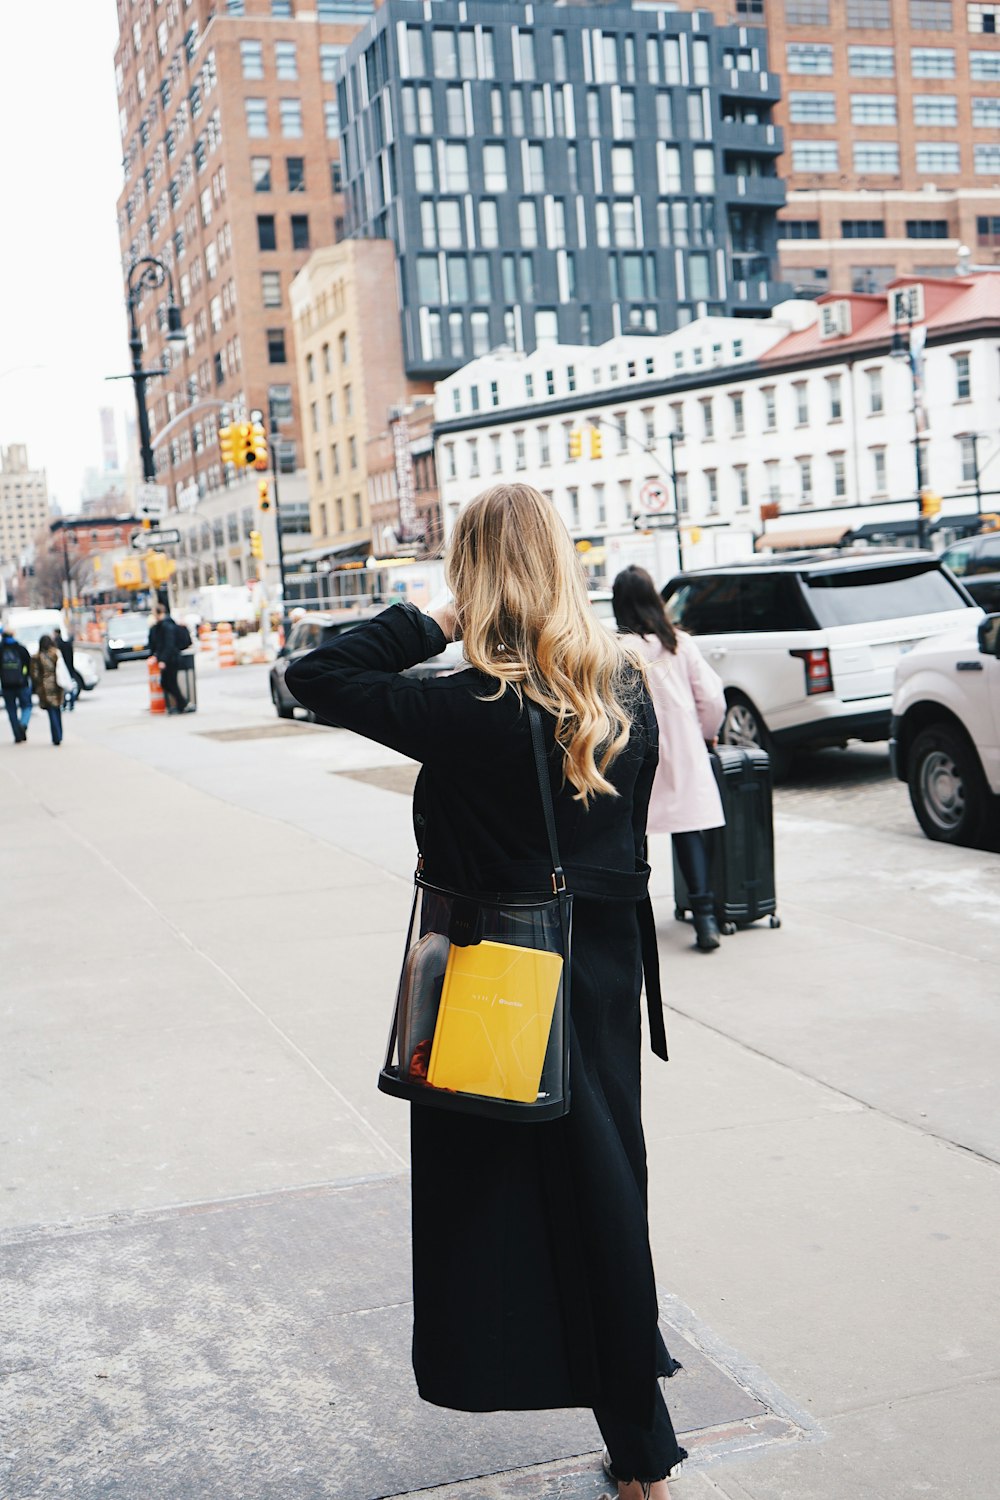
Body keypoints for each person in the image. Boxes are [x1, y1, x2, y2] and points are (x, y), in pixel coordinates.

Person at [287, 485, 686, 1500]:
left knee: (502, 1205)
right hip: (598, 972)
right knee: (600, 1192)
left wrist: (434, 619)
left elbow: (318, 671)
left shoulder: (468, 708)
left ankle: (619, 1434)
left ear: (473, 576)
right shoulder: (622, 687)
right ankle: (639, 1449)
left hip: (492, 974)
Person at [612, 566, 726, 953]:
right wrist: (707, 734)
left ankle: (632, 924)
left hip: (633, 751)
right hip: (682, 749)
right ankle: (705, 918)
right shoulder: (678, 643)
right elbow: (711, 698)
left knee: (633, 836)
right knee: (688, 830)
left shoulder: (618, 650)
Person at [148, 603, 192, 714]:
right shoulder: (161, 625)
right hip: (168, 659)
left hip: (171, 659)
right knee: (167, 683)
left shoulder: (167, 626)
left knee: (169, 683)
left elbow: (169, 645)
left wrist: (162, 660)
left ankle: (183, 704)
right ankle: (182, 704)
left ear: (159, 613)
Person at [29, 634, 69, 746]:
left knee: (51, 711)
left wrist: (39, 684)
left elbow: (34, 674)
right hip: (58, 683)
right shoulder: (56, 653)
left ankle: (56, 736)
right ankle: (59, 735)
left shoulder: (37, 657)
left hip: (45, 687)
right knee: (57, 709)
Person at [0, 623, 32, 744]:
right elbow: (29, 665)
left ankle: (17, 735)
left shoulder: (1, 649)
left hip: (6, 685)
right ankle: (23, 724)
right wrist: (25, 677)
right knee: (27, 706)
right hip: (21, 684)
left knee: (11, 710)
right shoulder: (20, 648)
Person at [53, 628, 85, 709]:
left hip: (62, 669)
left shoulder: (57, 645)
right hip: (69, 668)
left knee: (63, 687)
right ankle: (71, 703)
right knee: (69, 686)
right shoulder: (67, 644)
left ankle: (64, 704)